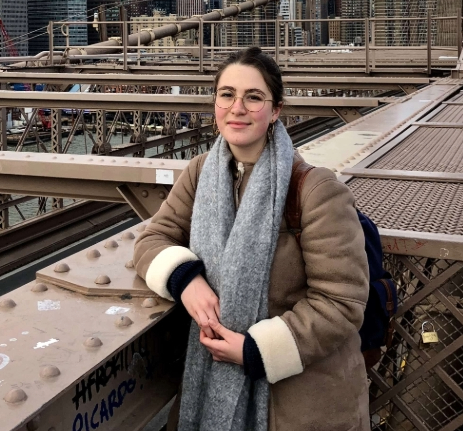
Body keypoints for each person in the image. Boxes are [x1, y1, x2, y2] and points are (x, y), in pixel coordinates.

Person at [133, 47, 370, 431]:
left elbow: (341, 301)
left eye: (253, 97)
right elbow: (152, 238)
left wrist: (256, 350)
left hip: (298, 399)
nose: (237, 107)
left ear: (276, 110)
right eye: (226, 94)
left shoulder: (314, 189)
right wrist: (185, 279)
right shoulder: (201, 173)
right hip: (210, 369)